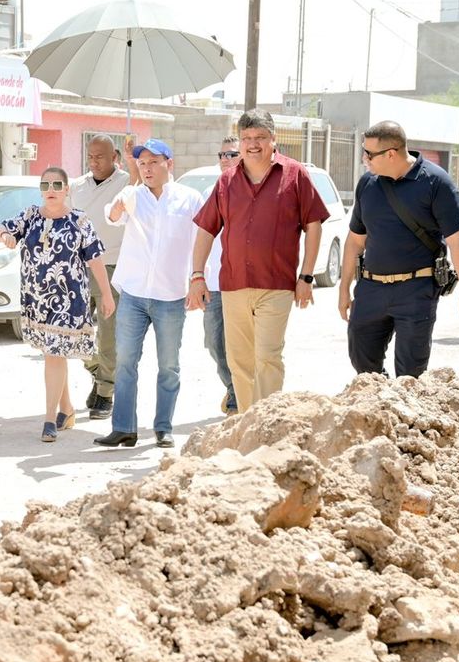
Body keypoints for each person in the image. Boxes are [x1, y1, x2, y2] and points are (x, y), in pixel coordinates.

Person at [190, 108, 329, 410]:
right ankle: (247, 419)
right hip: (234, 285)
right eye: (246, 138)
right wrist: (197, 275)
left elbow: (314, 225)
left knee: (267, 356)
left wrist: (306, 277)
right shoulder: (226, 182)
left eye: (260, 137)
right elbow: (206, 229)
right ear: (239, 142)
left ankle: (267, 422)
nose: (253, 144)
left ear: (273, 139)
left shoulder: (295, 175)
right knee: (239, 360)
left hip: (276, 285)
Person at [338, 121, 459, 377]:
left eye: (369, 154)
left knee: (410, 374)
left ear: (391, 154)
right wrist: (344, 288)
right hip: (371, 289)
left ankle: (403, 401)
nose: (364, 159)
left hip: (416, 291)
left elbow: (458, 240)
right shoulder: (368, 184)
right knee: (363, 364)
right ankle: (381, 399)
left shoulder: (437, 183)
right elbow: (355, 241)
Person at [95, 139, 202, 449]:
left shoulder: (190, 199)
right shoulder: (133, 195)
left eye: (154, 162)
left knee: (169, 366)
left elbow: (202, 241)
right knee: (126, 362)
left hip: (171, 295)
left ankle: (163, 428)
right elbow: (112, 215)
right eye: (142, 164)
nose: (147, 169)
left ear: (170, 164)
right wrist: (117, 208)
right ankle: (124, 428)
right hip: (134, 294)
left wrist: (198, 280)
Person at [0, 166, 116, 442]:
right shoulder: (30, 216)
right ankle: (67, 409)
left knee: (54, 354)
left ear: (66, 189)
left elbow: (95, 259)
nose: (50, 190)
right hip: (36, 301)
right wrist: (6, 238)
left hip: (68, 301)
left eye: (56, 185)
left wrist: (107, 294)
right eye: (45, 185)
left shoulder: (79, 221)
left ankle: (50, 419)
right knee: (54, 354)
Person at [69, 134, 130, 420]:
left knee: (108, 335)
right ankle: (97, 370)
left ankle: (106, 391)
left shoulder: (127, 182)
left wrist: (134, 159)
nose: (94, 162)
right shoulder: (77, 185)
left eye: (100, 157)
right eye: (90, 157)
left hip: (111, 266)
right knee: (72, 330)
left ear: (114, 156)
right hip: (79, 266)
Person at [202, 136, 242, 415]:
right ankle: (233, 386)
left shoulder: (254, 191)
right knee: (215, 342)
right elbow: (197, 237)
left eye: (231, 154)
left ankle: (240, 396)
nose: (225, 159)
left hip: (244, 283)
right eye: (221, 155)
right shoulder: (210, 191)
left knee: (243, 343)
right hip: (214, 282)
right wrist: (196, 277)